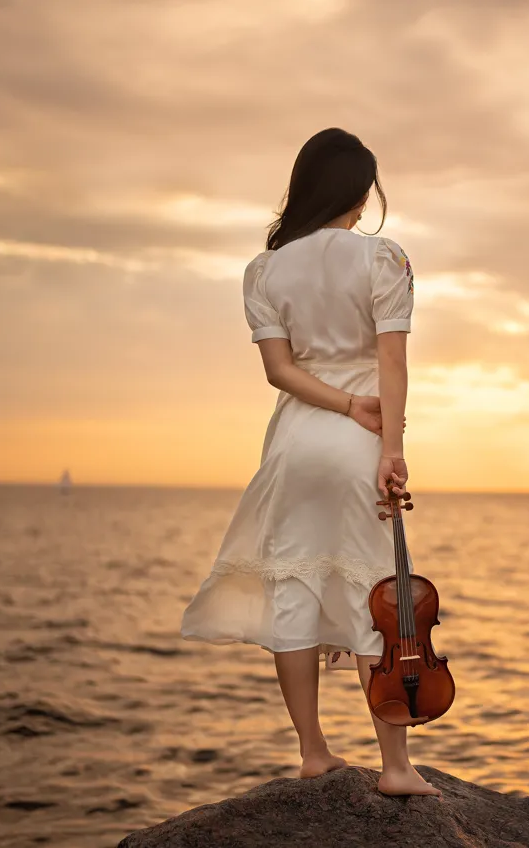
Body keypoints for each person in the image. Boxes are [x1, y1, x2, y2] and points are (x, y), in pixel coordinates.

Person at [179, 128, 438, 797]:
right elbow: (392, 363)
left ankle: (313, 752)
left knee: (293, 591)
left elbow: (279, 371)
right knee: (376, 598)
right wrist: (391, 446)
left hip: (294, 443)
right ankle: (396, 767)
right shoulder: (384, 257)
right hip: (360, 445)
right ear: (360, 192)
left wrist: (341, 403)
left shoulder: (264, 270)